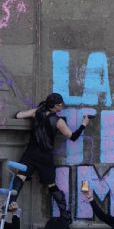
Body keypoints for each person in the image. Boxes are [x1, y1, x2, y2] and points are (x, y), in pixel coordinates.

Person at [9, 93, 90, 224]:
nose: (61, 106)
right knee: (51, 185)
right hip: (45, 157)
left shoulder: (37, 112)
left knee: (20, 178)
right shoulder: (58, 121)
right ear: (54, 106)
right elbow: (73, 136)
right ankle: (65, 214)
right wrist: (84, 124)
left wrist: (32, 115)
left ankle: (9, 204)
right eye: (60, 105)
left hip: (30, 153)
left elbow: (18, 115)